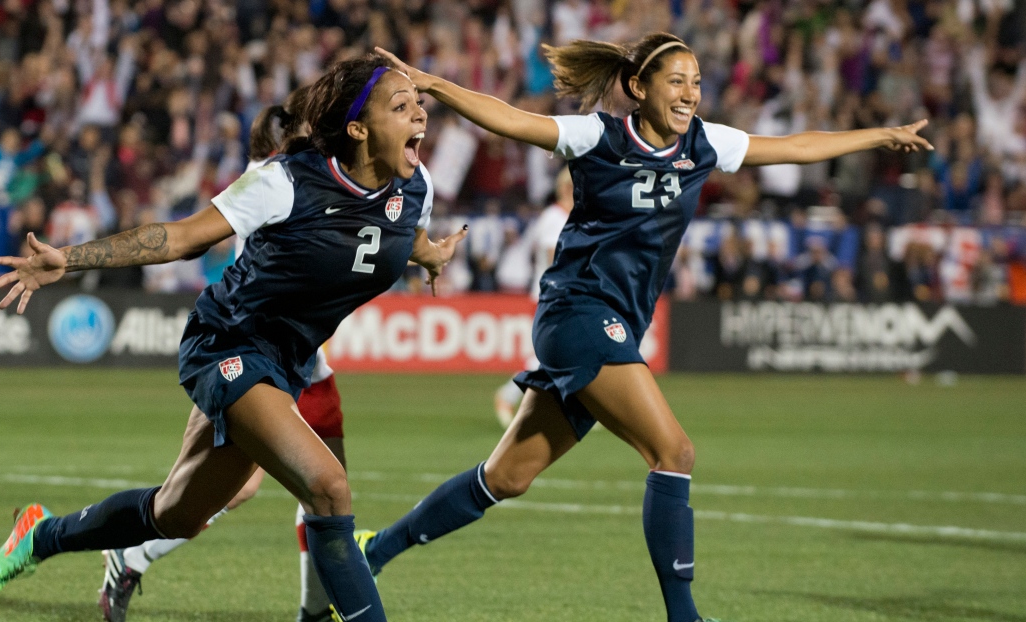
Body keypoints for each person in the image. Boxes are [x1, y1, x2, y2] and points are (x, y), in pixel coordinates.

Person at [362, 34, 931, 622]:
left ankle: (372, 551)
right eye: (677, 81)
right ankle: (684, 616)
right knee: (673, 451)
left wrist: (881, 135)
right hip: (579, 312)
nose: (690, 94)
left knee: (506, 477)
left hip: (614, 323)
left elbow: (795, 146)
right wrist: (435, 86)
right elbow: (511, 120)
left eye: (696, 82)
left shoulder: (705, 144)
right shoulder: (599, 137)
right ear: (639, 88)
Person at [0, 55, 467, 622]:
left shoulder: (416, 188)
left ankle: (38, 537)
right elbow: (182, 237)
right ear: (358, 129)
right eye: (401, 107)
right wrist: (72, 259)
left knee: (175, 514)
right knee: (329, 487)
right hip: (227, 343)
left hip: (286, 363)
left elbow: (405, 236)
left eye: (418, 104)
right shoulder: (286, 182)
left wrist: (432, 255)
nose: (421, 116)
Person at [98, 90, 350, 622]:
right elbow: (199, 241)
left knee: (324, 497)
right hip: (256, 354)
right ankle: (130, 553)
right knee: (241, 488)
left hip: (309, 366)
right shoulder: (277, 178)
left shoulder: (315, 175)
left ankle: (313, 611)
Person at [493, 166, 573, 427]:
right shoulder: (554, 217)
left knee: (571, 352)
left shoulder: (566, 216)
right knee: (548, 356)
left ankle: (581, 408)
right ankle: (507, 395)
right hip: (553, 294)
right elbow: (552, 256)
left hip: (562, 293)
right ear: (566, 189)